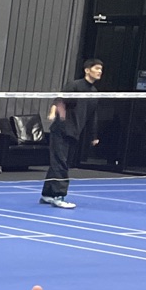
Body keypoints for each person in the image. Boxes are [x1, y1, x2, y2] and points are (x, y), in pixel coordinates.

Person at [42, 58, 101, 210]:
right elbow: (60, 100)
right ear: (87, 70)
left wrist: (93, 135)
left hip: (75, 132)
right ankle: (59, 196)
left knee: (61, 163)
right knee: (60, 163)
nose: (100, 71)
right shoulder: (74, 85)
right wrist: (53, 112)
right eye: (96, 68)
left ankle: (47, 194)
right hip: (61, 130)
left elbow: (92, 116)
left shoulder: (94, 92)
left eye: (101, 69)